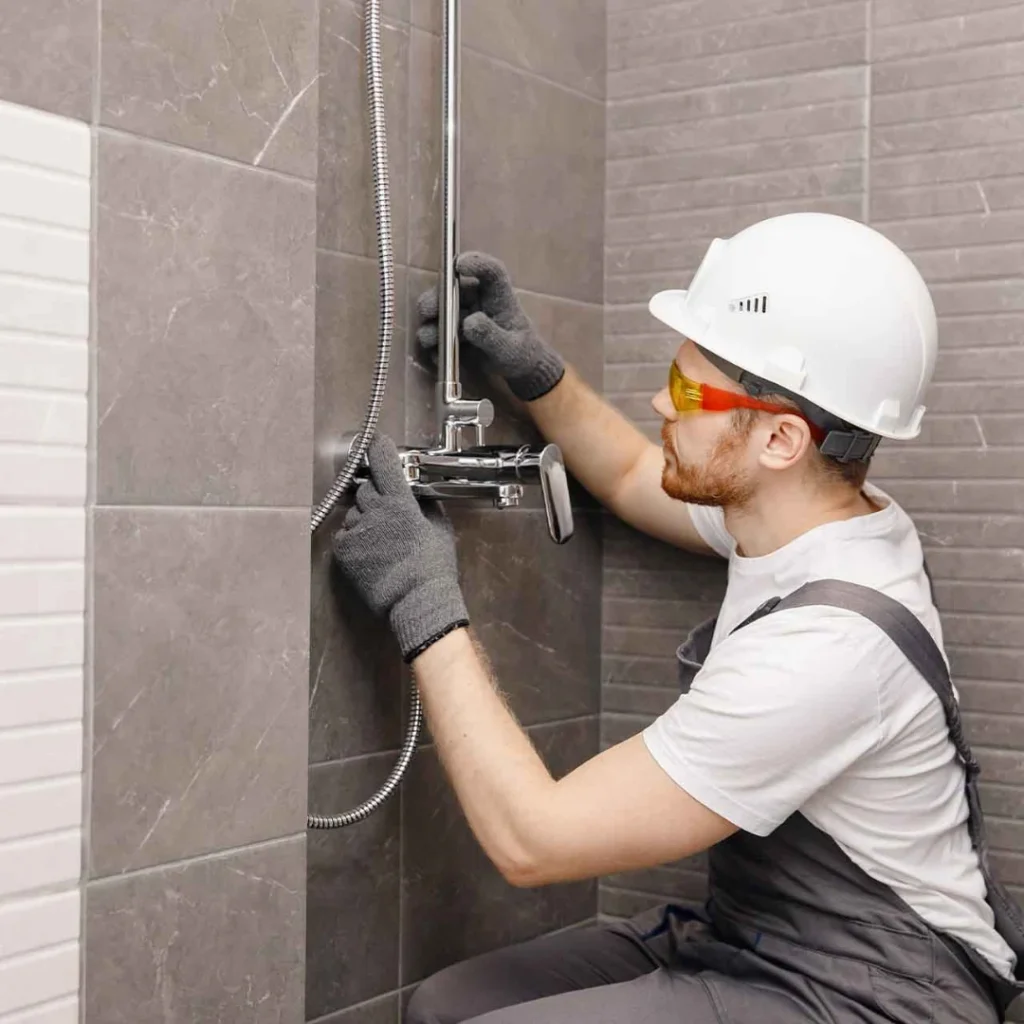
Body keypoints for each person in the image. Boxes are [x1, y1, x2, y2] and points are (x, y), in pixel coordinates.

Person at [331, 212, 1024, 1023]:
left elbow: (535, 840)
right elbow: (630, 474)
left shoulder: (826, 650)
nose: (662, 398)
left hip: (881, 994)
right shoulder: (811, 513)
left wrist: (421, 593)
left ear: (780, 439)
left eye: (691, 389)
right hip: (760, 937)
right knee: (448, 1005)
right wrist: (534, 370)